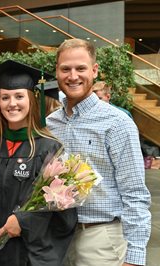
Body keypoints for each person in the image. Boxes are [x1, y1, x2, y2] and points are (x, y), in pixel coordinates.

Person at [46, 38, 151, 266]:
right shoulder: (51, 124)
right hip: (56, 239)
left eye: (81, 68)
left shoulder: (117, 123)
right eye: (66, 69)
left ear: (94, 71)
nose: (73, 76)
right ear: (57, 71)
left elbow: (135, 193)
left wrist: (135, 256)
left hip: (100, 239)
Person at [0, 60, 77, 266]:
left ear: (32, 99)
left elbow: (63, 213)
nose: (12, 103)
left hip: (29, 254)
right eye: (5, 97)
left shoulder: (49, 148)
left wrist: (23, 221)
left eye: (19, 96)